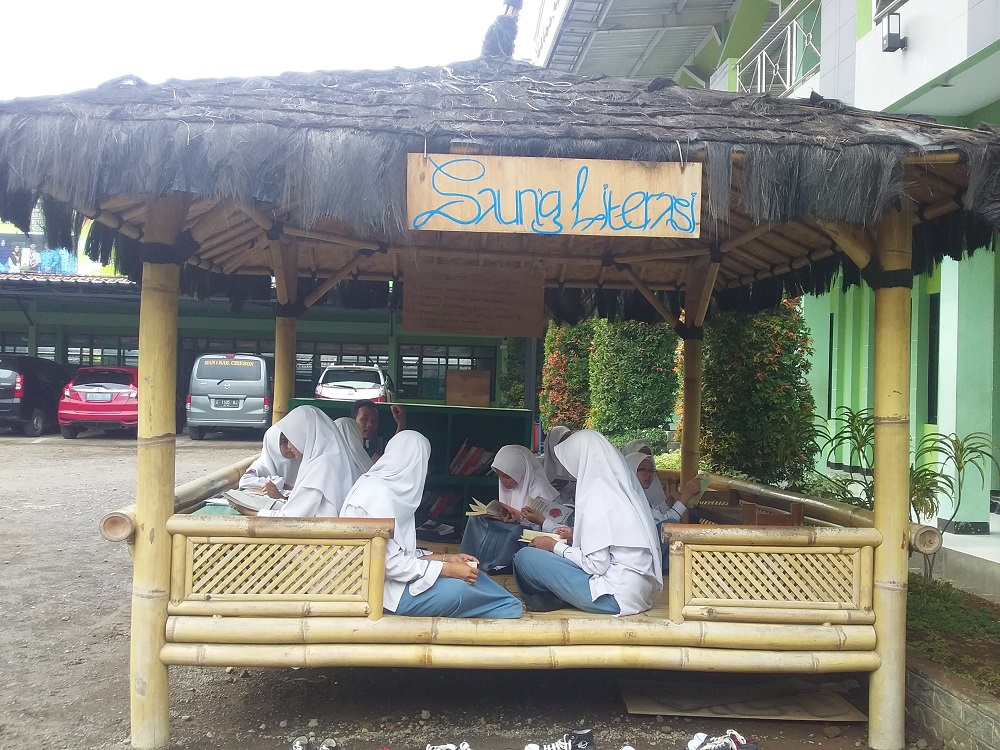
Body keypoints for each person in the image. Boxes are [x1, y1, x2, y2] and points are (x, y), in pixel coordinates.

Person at [340, 430, 523, 618]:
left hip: (394, 582)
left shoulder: (390, 491)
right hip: (377, 592)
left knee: (472, 574)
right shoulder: (376, 496)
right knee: (458, 589)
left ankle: (509, 606)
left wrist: (447, 558)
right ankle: (506, 609)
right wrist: (446, 569)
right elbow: (387, 564)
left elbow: (402, 555)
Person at [512, 430, 663, 616]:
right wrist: (574, 535)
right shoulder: (620, 492)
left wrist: (553, 546)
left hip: (612, 597)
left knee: (524, 557)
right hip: (636, 595)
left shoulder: (596, 497)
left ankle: (548, 597)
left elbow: (596, 565)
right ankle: (560, 595)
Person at [458, 444, 565, 572]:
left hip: (530, 534)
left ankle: (500, 564)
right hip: (511, 526)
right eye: (499, 476)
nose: (503, 481)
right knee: (476, 520)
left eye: (507, 476)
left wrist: (524, 520)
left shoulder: (543, 491)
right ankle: (466, 558)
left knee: (516, 531)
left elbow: (555, 529)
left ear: (520, 472)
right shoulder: (508, 485)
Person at [255, 405, 358, 518]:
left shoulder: (321, 467)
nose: (288, 446)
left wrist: (252, 512)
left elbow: (290, 517)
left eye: (290, 439)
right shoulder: (332, 459)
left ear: (303, 435)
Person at [238, 423, 300, 497]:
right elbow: (244, 481)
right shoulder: (262, 464)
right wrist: (282, 484)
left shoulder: (302, 461)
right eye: (284, 442)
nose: (289, 446)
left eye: (292, 441)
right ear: (273, 445)